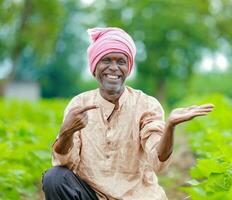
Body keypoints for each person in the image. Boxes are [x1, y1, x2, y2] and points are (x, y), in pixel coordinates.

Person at [42, 27, 214, 200]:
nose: (114, 68)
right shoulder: (79, 105)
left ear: (128, 67)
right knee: (54, 178)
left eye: (121, 62)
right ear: (95, 67)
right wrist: (66, 132)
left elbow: (158, 162)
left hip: (136, 196)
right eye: (106, 60)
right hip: (93, 195)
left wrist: (170, 126)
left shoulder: (146, 105)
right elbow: (64, 163)